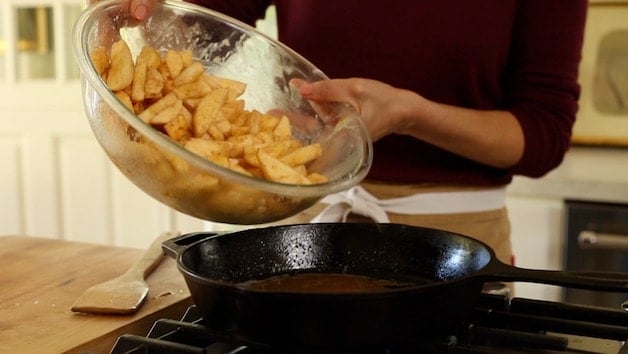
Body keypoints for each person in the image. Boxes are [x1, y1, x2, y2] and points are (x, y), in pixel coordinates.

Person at [96, 0, 588, 267]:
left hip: (455, 250)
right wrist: (144, 14)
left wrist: (410, 114)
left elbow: (543, 134)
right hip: (304, 234)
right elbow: (201, 35)